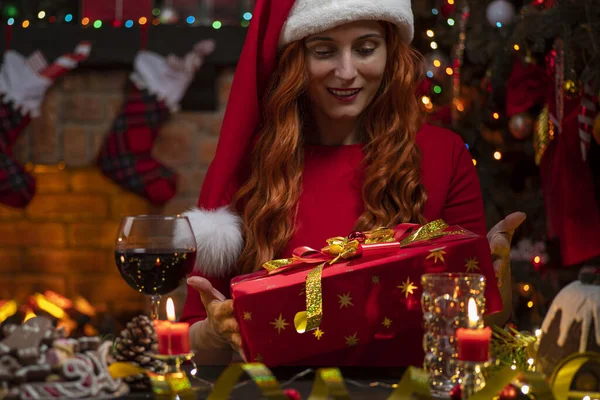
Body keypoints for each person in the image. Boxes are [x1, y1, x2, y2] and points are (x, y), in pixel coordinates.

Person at [178, 0, 525, 366]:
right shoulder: (246, 169)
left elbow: (483, 328)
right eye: (324, 51)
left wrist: (496, 279)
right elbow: (191, 335)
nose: (346, 72)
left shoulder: (444, 155)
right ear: (295, 60)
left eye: (365, 48)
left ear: (391, 51)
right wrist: (216, 331)